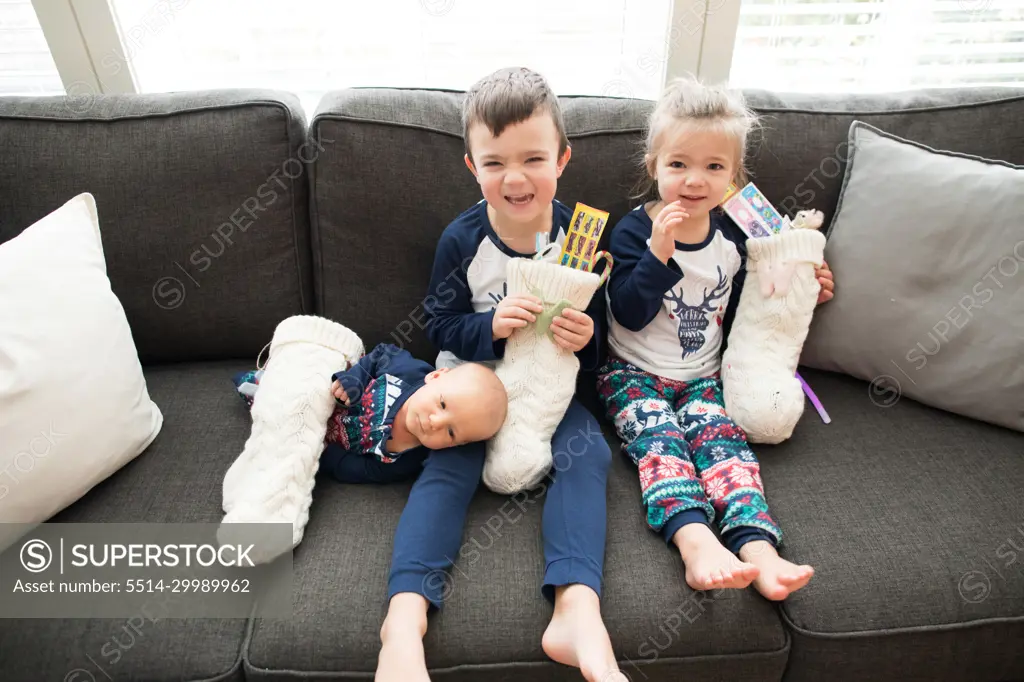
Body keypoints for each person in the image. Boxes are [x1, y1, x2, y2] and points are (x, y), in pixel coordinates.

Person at [374, 67, 621, 682]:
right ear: (472, 167)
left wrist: (586, 339)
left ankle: (576, 607)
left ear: (562, 159)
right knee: (449, 468)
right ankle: (403, 621)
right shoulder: (463, 240)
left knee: (587, 452)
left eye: (533, 158)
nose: (515, 178)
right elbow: (440, 323)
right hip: (471, 387)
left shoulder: (581, 237)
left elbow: (602, 336)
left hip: (546, 389)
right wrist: (489, 328)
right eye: (495, 163)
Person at [596, 75, 834, 602]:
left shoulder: (734, 234)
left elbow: (755, 300)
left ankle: (759, 551)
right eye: (678, 164)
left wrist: (799, 287)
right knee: (662, 445)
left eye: (713, 167)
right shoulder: (636, 231)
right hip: (631, 373)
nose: (694, 181)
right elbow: (630, 314)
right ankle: (695, 542)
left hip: (704, 377)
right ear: (653, 166)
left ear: (733, 177)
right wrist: (659, 256)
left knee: (727, 452)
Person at [233, 342, 508, 484]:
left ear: (456, 445)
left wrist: (321, 455)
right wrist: (353, 379)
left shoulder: (405, 460)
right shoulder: (408, 373)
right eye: (443, 405)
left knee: (280, 432)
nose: (435, 422)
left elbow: (363, 470)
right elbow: (381, 353)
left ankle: (266, 404)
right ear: (435, 376)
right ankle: (269, 376)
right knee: (291, 383)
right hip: (331, 393)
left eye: (451, 432)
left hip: (316, 437)